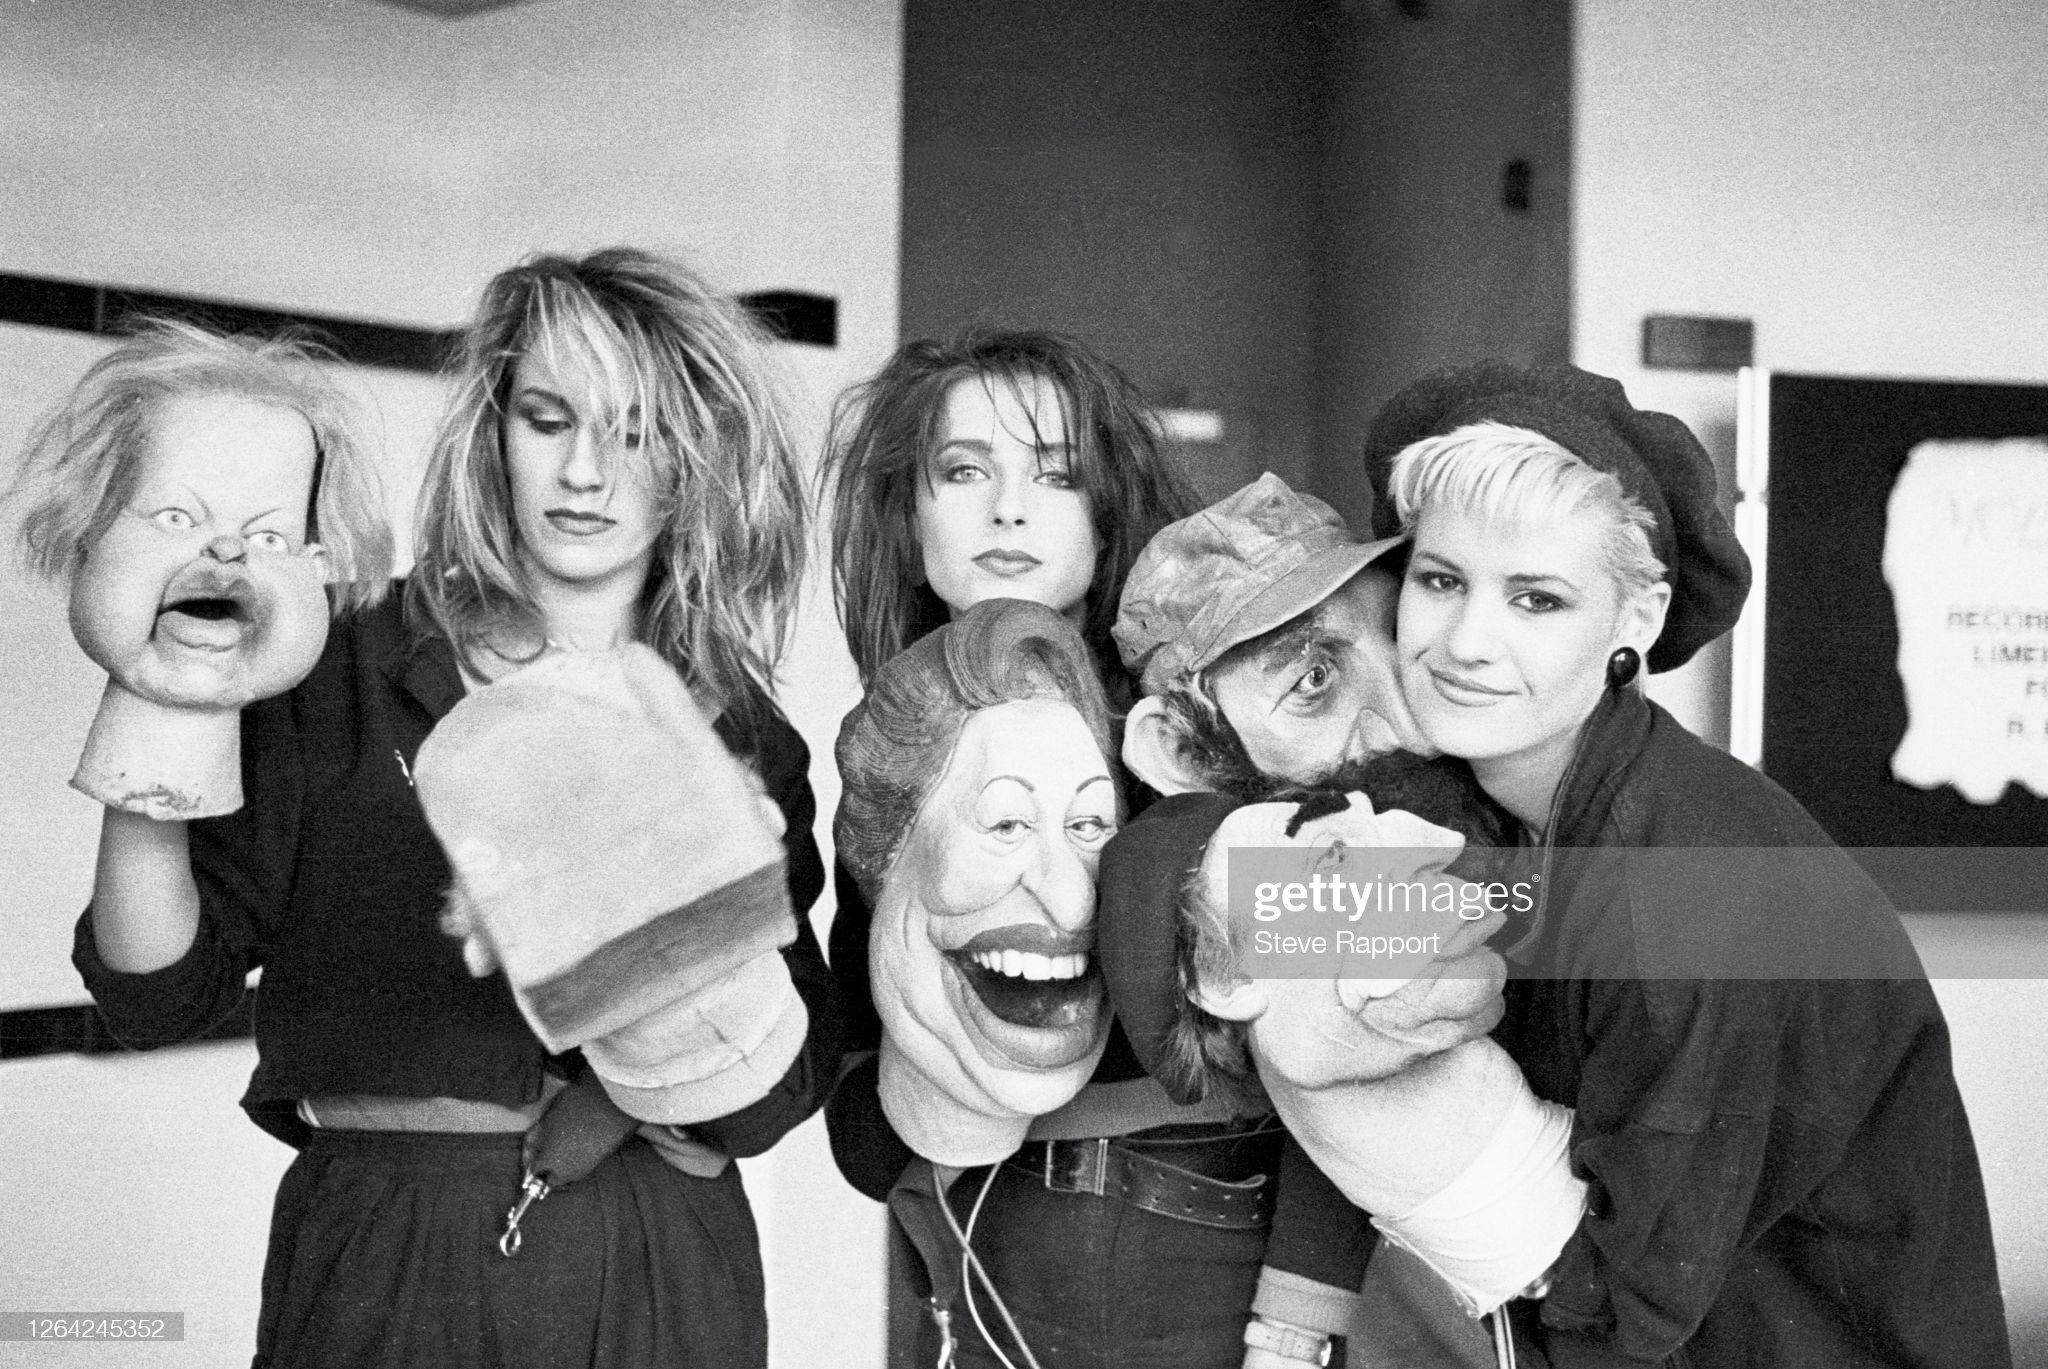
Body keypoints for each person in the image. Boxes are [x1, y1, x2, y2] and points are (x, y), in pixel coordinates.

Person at [56, 249, 842, 1368]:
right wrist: (158, 701)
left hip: (658, 1252)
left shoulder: (738, 729)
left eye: (636, 432)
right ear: (494, 431)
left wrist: (651, 949)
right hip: (386, 1245)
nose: (585, 472)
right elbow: (157, 998)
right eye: (547, 417)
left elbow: (777, 1092)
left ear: (696, 458)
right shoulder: (344, 659)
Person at [1355, 359, 2011, 1367]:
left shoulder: (1689, 875)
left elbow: (1626, 1308)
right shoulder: (1498, 809)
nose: (1465, 641)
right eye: (1441, 581)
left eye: (1535, 599)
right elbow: (1263, 933)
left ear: (1634, 622)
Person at [823, 332, 1372, 1369]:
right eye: (964, 470)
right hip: (972, 1257)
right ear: (911, 514)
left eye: (1057, 474)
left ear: (1106, 508)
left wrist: (1301, 1321)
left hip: (1197, 1262)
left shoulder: (1219, 721)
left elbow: (1354, 1043)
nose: (1009, 508)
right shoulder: (888, 746)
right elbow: (857, 1099)